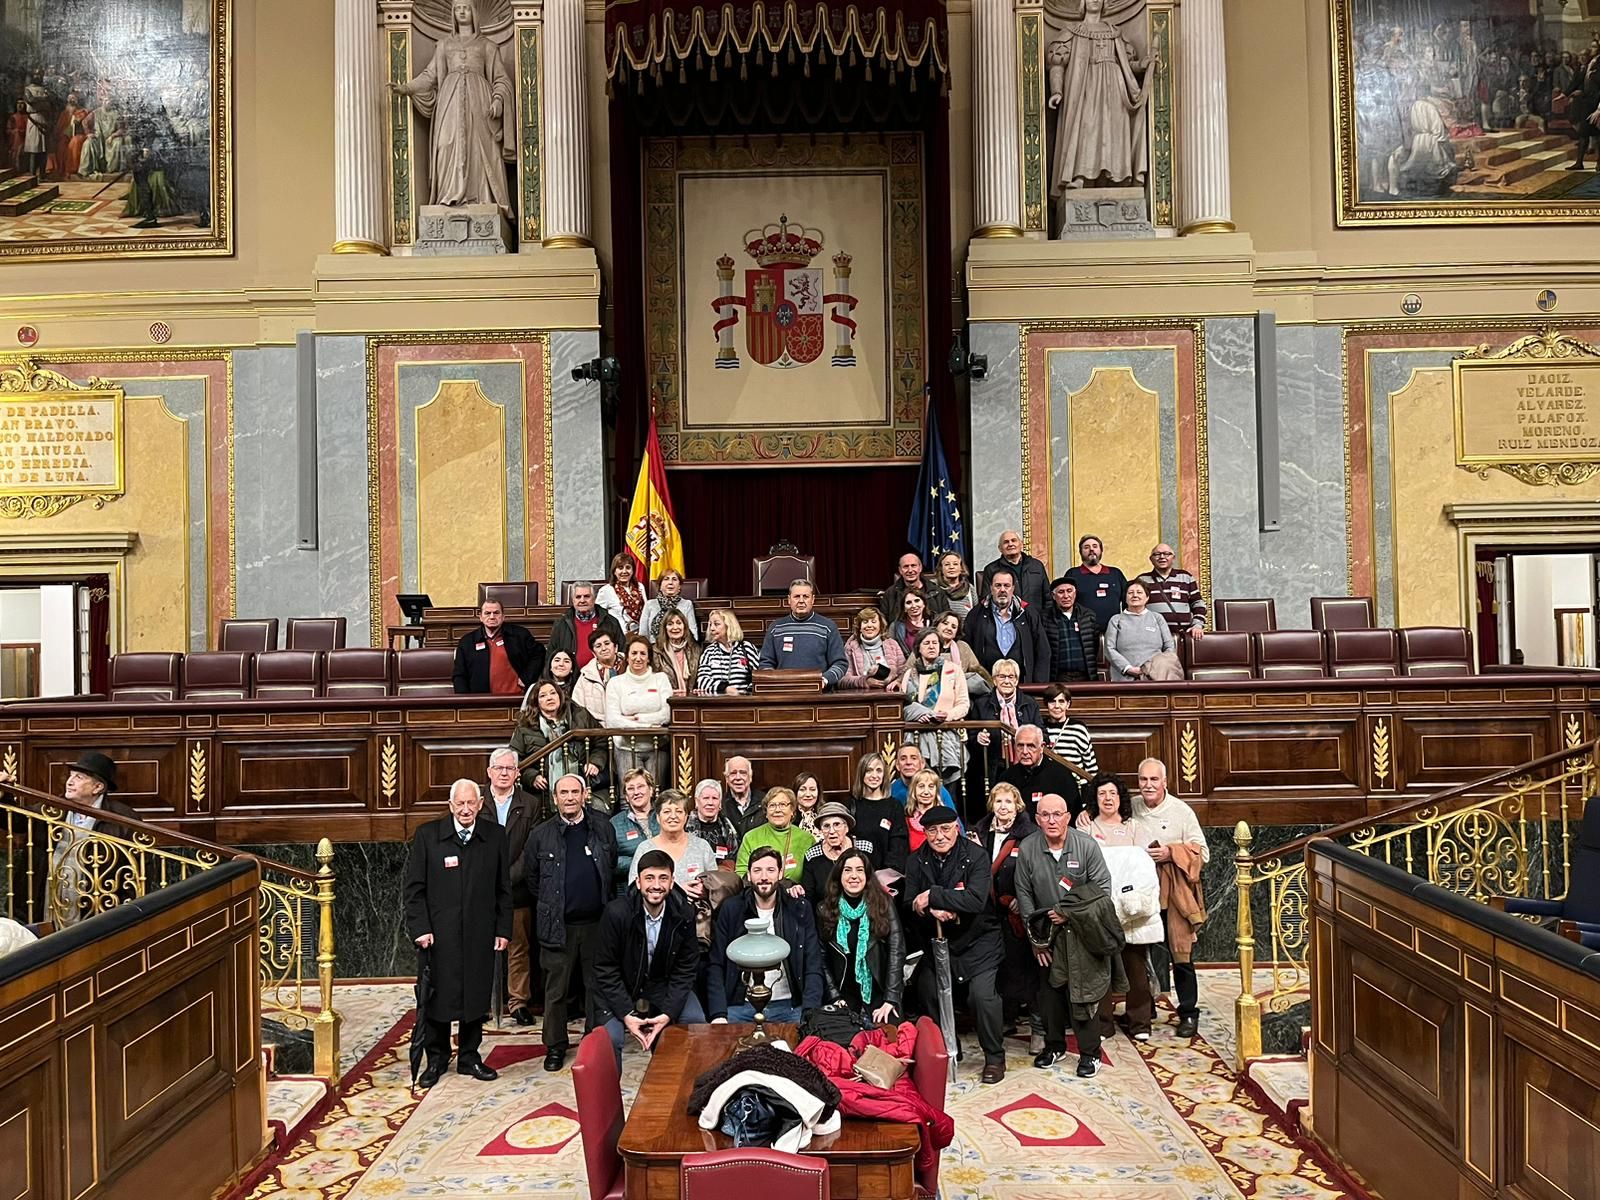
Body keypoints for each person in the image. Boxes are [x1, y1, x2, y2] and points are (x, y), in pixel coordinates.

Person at [403, 779, 512, 1087]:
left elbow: (503, 888)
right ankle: (435, 1059)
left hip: (480, 933)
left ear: (480, 805)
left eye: (471, 804)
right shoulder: (429, 836)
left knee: (475, 996)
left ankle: (469, 1056)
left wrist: (502, 929)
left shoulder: (494, 836)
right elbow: (414, 891)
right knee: (438, 997)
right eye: (460, 804)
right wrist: (421, 928)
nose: (466, 810)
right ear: (451, 806)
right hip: (439, 936)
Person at [903, 805, 1008, 1083]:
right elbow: (909, 901)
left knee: (982, 997)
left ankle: (995, 1058)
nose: (940, 836)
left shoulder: (976, 855)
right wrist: (928, 907)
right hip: (938, 944)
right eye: (933, 831)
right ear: (924, 832)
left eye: (946, 829)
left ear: (957, 828)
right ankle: (950, 1049)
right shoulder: (915, 861)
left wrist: (933, 895)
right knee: (926, 990)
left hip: (979, 941)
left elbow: (975, 900)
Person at [1013, 792, 1115, 1077]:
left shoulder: (1086, 846)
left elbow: (1102, 890)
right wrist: (1036, 941)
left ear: (1068, 817)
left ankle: (1090, 1054)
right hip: (1047, 937)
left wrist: (1070, 912)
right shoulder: (1029, 848)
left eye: (1057, 814)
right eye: (1045, 815)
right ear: (1037, 819)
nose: (1051, 820)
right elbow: (1024, 894)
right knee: (1049, 996)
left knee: (1081, 997)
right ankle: (1054, 1046)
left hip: (1082, 934)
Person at [523, 774, 618, 1071]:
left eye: (575, 792)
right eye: (563, 792)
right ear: (554, 798)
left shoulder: (603, 827)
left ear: (585, 794)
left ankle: (594, 1043)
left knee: (596, 988)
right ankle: (555, 1046)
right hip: (558, 925)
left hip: (596, 924)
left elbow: (611, 866)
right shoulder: (540, 834)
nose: (569, 798)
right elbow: (532, 878)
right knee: (556, 991)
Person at [390, 0, 513, 210]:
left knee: (479, 147)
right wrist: (408, 88)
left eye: (465, 8)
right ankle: (449, 195)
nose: (462, 12)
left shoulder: (488, 46)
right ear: (453, 14)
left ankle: (482, 199)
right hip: (450, 100)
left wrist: (498, 100)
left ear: (474, 12)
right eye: (458, 9)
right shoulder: (444, 45)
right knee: (446, 144)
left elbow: (501, 79)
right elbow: (430, 75)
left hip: (479, 101)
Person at [594, 848, 705, 1067]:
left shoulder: (684, 914)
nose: (656, 885)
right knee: (610, 1039)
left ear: (672, 882)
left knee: (695, 1022)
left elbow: (686, 968)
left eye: (663, 878)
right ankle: (610, 1100)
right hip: (622, 986)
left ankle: (678, 1088)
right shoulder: (617, 913)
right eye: (649, 878)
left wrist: (667, 1014)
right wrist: (627, 1014)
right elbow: (605, 969)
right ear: (638, 882)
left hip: (662, 985)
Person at [10, 751, 138, 925]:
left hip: (94, 905)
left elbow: (134, 869)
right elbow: (17, 822)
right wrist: (4, 796)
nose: (69, 782)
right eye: (70, 776)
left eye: (78, 777)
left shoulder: (122, 819)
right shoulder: (52, 808)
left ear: (97, 787)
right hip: (48, 899)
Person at [1132, 758, 1208, 1039]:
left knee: (1181, 955)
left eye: (1154, 780)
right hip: (1142, 892)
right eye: (1143, 780)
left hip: (1174, 896)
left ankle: (1188, 1012)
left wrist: (1171, 852)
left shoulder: (1181, 811)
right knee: (1140, 953)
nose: (1148, 785)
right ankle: (1144, 1008)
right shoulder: (1133, 807)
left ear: (1165, 782)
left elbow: (1204, 852)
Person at [1082, 774, 1161, 1042]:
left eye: (1112, 793)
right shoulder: (1087, 829)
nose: (1107, 798)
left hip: (1132, 910)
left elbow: (1146, 866)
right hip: (1101, 909)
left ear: (1120, 798)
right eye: (1102, 793)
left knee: (1136, 967)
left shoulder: (1134, 827)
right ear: (1095, 798)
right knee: (1101, 968)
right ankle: (1103, 1024)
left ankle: (1139, 1023)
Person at [708, 845, 824, 1024]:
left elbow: (813, 964)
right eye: (757, 870)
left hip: (789, 1006)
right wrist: (718, 1015)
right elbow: (716, 964)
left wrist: (810, 1013)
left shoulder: (799, 908)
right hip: (741, 1006)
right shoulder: (732, 909)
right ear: (748, 875)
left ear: (780, 873)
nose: (763, 877)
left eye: (770, 870)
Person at [971, 782, 1040, 1052]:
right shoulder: (978, 833)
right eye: (998, 802)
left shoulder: (1029, 834)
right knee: (997, 970)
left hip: (1017, 912)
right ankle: (1005, 1019)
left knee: (1027, 971)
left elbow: (1035, 872)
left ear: (1018, 805)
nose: (1003, 807)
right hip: (987, 913)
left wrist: (1020, 901)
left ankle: (1038, 1029)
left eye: (1008, 802)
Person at [479, 748, 541, 1025]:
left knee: (519, 948)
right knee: (480, 948)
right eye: (499, 768)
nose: (504, 773)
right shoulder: (477, 801)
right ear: (489, 772)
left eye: (509, 769)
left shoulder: (531, 803)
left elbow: (531, 849)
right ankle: (481, 1003)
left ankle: (518, 1003)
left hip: (517, 890)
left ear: (518, 773)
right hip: (481, 890)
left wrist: (505, 879)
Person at [816, 849, 905, 1023]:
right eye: (848, 870)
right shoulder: (824, 909)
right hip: (842, 995)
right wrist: (834, 997)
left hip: (879, 993)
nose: (854, 876)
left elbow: (897, 952)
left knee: (888, 1039)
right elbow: (821, 958)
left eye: (859, 870)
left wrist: (890, 999)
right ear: (839, 875)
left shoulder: (884, 904)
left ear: (867, 875)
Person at [510, 680, 605, 813]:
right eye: (543, 696)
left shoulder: (580, 715)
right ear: (536, 702)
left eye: (553, 693)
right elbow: (514, 759)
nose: (549, 698)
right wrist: (532, 777)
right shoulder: (525, 727)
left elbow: (602, 740)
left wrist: (595, 762)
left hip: (584, 782)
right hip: (544, 793)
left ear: (560, 696)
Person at [899, 627, 969, 780]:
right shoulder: (909, 675)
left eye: (935, 643)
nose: (931, 646)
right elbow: (904, 707)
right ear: (918, 648)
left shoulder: (953, 670)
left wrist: (948, 715)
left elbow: (964, 704)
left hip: (945, 734)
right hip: (916, 736)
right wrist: (919, 715)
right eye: (927, 643)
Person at [963, 566, 1051, 684]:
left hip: (1023, 685)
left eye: (1007, 586)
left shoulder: (1028, 613)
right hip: (986, 686)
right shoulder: (976, 615)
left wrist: (1038, 685)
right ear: (991, 588)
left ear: (1013, 588)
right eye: (998, 585)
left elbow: (1043, 651)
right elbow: (966, 650)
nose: (1002, 590)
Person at [604, 634, 672, 779]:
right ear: (627, 657)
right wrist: (650, 726)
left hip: (657, 747)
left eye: (643, 653)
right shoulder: (615, 683)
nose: (638, 658)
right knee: (629, 796)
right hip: (626, 748)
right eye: (634, 653)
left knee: (656, 794)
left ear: (649, 657)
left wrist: (639, 719)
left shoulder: (661, 679)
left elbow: (667, 714)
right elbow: (613, 720)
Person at [758, 579, 847, 689]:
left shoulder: (828, 627)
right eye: (796, 596)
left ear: (813, 599)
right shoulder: (775, 628)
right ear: (789, 600)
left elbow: (840, 663)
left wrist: (824, 680)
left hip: (820, 694)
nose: (801, 600)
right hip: (784, 693)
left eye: (805, 596)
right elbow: (765, 664)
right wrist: (775, 682)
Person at [629, 789, 718, 894]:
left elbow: (715, 886)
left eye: (679, 811)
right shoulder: (645, 848)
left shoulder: (702, 847)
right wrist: (677, 892)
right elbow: (634, 888)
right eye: (667, 812)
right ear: (658, 817)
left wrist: (704, 890)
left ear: (686, 817)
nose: (673, 816)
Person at [452, 599, 545, 695]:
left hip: (517, 698)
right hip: (480, 701)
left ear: (503, 616)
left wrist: (527, 677)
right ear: (480, 617)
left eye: (496, 613)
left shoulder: (520, 635)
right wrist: (464, 701)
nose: (492, 617)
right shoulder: (467, 642)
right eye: (487, 613)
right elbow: (459, 675)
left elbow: (539, 654)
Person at [972, 658, 1043, 782]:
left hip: (1025, 766)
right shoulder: (981, 704)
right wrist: (978, 737)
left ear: (1016, 680)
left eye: (1011, 677)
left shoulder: (1030, 703)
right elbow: (970, 734)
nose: (1006, 681)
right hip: (992, 767)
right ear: (994, 680)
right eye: (1002, 677)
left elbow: (1042, 734)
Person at [995, 724, 1082, 818]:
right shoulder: (1006, 777)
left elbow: (1073, 813)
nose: (1025, 751)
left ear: (1042, 747)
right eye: (1020, 746)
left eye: (1030, 746)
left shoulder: (1061, 776)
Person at [1104, 581, 1182, 682]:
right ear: (1125, 598)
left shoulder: (1157, 618)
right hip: (1124, 677)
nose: (1135, 595)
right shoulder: (1116, 620)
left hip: (1156, 676)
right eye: (1130, 592)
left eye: (1139, 592)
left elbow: (1169, 648)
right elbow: (1109, 648)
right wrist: (1128, 668)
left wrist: (1153, 668)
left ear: (1147, 597)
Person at [799, 801, 878, 900]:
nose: (832, 831)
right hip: (824, 912)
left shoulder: (865, 849)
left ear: (847, 827)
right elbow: (808, 897)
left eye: (837, 824)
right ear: (821, 830)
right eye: (826, 826)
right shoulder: (812, 855)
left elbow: (874, 887)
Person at [735, 787, 816, 882]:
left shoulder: (806, 839)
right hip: (759, 893)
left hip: (795, 894)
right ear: (766, 812)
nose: (777, 810)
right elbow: (741, 873)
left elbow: (813, 876)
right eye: (772, 805)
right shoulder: (750, 837)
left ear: (792, 811)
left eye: (782, 805)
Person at [849, 753, 910, 873]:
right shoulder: (851, 805)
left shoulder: (894, 806)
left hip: (886, 878)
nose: (874, 775)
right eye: (869, 771)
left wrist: (885, 874)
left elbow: (899, 845)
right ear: (862, 774)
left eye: (879, 771)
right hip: (857, 875)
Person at [1135, 544, 1208, 643]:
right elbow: (1135, 608)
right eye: (1157, 554)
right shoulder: (1142, 580)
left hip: (1182, 636)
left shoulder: (1186, 577)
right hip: (1152, 637)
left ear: (1173, 558)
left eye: (1166, 554)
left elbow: (1198, 603)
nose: (1162, 557)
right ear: (1151, 559)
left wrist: (1197, 625)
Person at [548, 582, 624, 672]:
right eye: (578, 597)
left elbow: (622, 651)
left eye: (587, 596)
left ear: (594, 598)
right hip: (571, 679)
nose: (582, 600)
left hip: (605, 677)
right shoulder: (561, 624)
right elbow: (551, 655)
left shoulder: (611, 622)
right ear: (573, 600)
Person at [1063, 534, 1128, 630]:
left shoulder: (1115, 573)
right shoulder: (1072, 574)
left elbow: (1127, 600)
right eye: (1086, 547)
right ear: (1080, 552)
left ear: (1101, 550)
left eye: (1095, 546)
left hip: (1114, 629)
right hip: (1083, 630)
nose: (1091, 549)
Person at [612, 768, 662, 891]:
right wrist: (640, 862)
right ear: (627, 797)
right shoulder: (614, 823)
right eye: (630, 789)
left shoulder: (664, 816)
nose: (636, 792)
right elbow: (610, 861)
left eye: (640, 787)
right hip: (629, 892)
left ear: (651, 790)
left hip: (664, 888)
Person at [980, 529, 1050, 614]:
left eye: (1014, 540)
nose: (1010, 544)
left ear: (1021, 544)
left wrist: (1044, 621)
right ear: (1000, 548)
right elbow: (986, 601)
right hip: (1006, 622)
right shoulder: (991, 569)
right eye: (1006, 542)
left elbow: (1048, 598)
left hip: (1036, 621)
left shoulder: (1037, 566)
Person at [695, 608, 760, 695]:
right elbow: (702, 681)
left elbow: (760, 676)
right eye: (710, 625)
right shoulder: (709, 652)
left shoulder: (746, 648)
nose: (712, 628)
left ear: (729, 625)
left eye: (716, 624)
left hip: (743, 703)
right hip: (715, 704)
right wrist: (725, 689)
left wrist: (746, 693)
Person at [1045, 577, 1099, 682]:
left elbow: (1094, 645)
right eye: (1061, 592)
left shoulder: (1088, 616)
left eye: (1069, 591)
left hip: (1085, 675)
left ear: (1075, 593)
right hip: (1058, 677)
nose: (1066, 596)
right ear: (1053, 596)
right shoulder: (1044, 618)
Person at [842, 606, 906, 690]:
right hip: (862, 696)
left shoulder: (892, 645)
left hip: (890, 696)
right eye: (865, 622)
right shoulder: (850, 648)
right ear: (860, 627)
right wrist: (864, 681)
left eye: (873, 621)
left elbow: (904, 672)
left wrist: (897, 681)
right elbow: (842, 680)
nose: (869, 625)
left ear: (880, 625)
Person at [1041, 687, 1099, 778]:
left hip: (1076, 783)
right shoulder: (1040, 728)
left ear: (1068, 704)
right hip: (1048, 781)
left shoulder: (1078, 728)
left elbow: (1090, 764)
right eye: (1052, 701)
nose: (1057, 706)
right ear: (1046, 704)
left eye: (1061, 701)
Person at [934, 610, 993, 699]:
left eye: (954, 627)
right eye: (945, 623)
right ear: (936, 625)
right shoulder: (926, 643)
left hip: (960, 697)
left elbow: (977, 670)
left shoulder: (962, 647)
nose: (949, 628)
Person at [880, 551, 950, 625]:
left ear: (920, 568)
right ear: (900, 570)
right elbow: (884, 624)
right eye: (906, 566)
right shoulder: (890, 594)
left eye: (913, 566)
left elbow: (946, 619)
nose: (910, 570)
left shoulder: (937, 592)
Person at [685, 778, 741, 867]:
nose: (710, 803)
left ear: (720, 803)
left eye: (715, 798)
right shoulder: (684, 827)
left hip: (723, 877)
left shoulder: (730, 827)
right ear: (697, 801)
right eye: (706, 798)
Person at [572, 629, 621, 721]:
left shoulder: (631, 668)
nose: (603, 648)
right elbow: (577, 710)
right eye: (598, 646)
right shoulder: (585, 676)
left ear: (616, 647)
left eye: (607, 643)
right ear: (593, 653)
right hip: (598, 730)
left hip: (630, 728)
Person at [905, 768, 958, 853]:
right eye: (921, 786)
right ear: (913, 790)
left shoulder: (947, 817)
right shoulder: (907, 820)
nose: (926, 792)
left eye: (931, 787)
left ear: (936, 791)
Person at [651, 609, 701, 696]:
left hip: (691, 700)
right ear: (665, 628)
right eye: (670, 624)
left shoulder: (696, 650)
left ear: (684, 626)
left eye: (679, 623)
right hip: (667, 700)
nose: (675, 627)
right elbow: (651, 686)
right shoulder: (656, 651)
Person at [640, 569, 699, 643]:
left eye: (674, 579)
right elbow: (642, 635)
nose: (670, 582)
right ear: (660, 586)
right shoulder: (649, 605)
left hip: (680, 648)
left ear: (679, 586)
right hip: (654, 649)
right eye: (666, 579)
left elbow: (693, 634)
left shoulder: (687, 604)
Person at [596, 552, 647, 635]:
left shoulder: (640, 587)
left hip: (640, 635)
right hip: (618, 635)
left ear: (633, 570)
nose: (624, 571)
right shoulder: (606, 590)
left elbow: (645, 613)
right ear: (614, 571)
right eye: (620, 568)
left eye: (628, 567)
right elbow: (598, 617)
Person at [722, 755, 768, 837]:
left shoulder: (765, 801)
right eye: (733, 773)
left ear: (750, 777)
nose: (738, 777)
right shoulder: (720, 804)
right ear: (727, 779)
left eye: (743, 773)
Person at [932, 551, 980, 620]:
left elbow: (976, 614)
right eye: (947, 564)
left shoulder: (970, 588)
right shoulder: (933, 587)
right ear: (941, 569)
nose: (951, 567)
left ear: (961, 568)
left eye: (955, 564)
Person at [890, 590, 935, 657]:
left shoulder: (934, 622)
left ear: (924, 604)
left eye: (917, 601)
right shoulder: (895, 627)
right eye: (908, 603)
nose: (913, 605)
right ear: (904, 608)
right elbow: (891, 651)